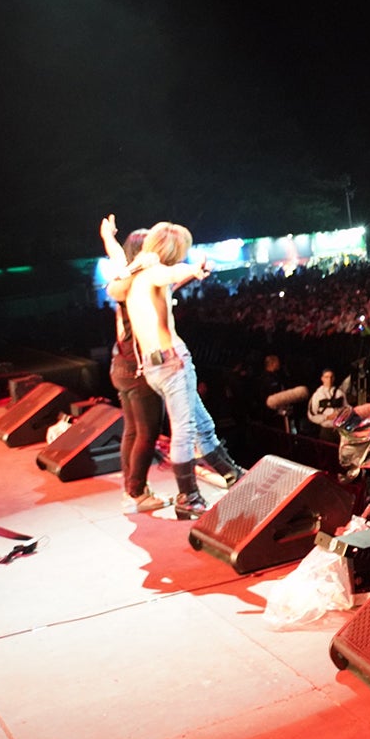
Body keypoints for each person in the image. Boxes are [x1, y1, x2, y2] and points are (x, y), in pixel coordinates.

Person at [113, 221, 244, 520]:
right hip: (172, 362)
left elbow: (168, 279)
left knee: (202, 424)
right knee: (185, 431)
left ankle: (231, 474)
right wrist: (192, 269)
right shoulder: (155, 272)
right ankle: (189, 497)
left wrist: (191, 274)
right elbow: (169, 274)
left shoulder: (134, 281)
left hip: (153, 366)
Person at [99, 217, 167, 514]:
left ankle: (131, 489)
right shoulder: (137, 281)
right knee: (147, 433)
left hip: (121, 366)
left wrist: (108, 237)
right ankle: (137, 493)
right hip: (139, 370)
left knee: (131, 430)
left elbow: (117, 257)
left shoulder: (125, 276)